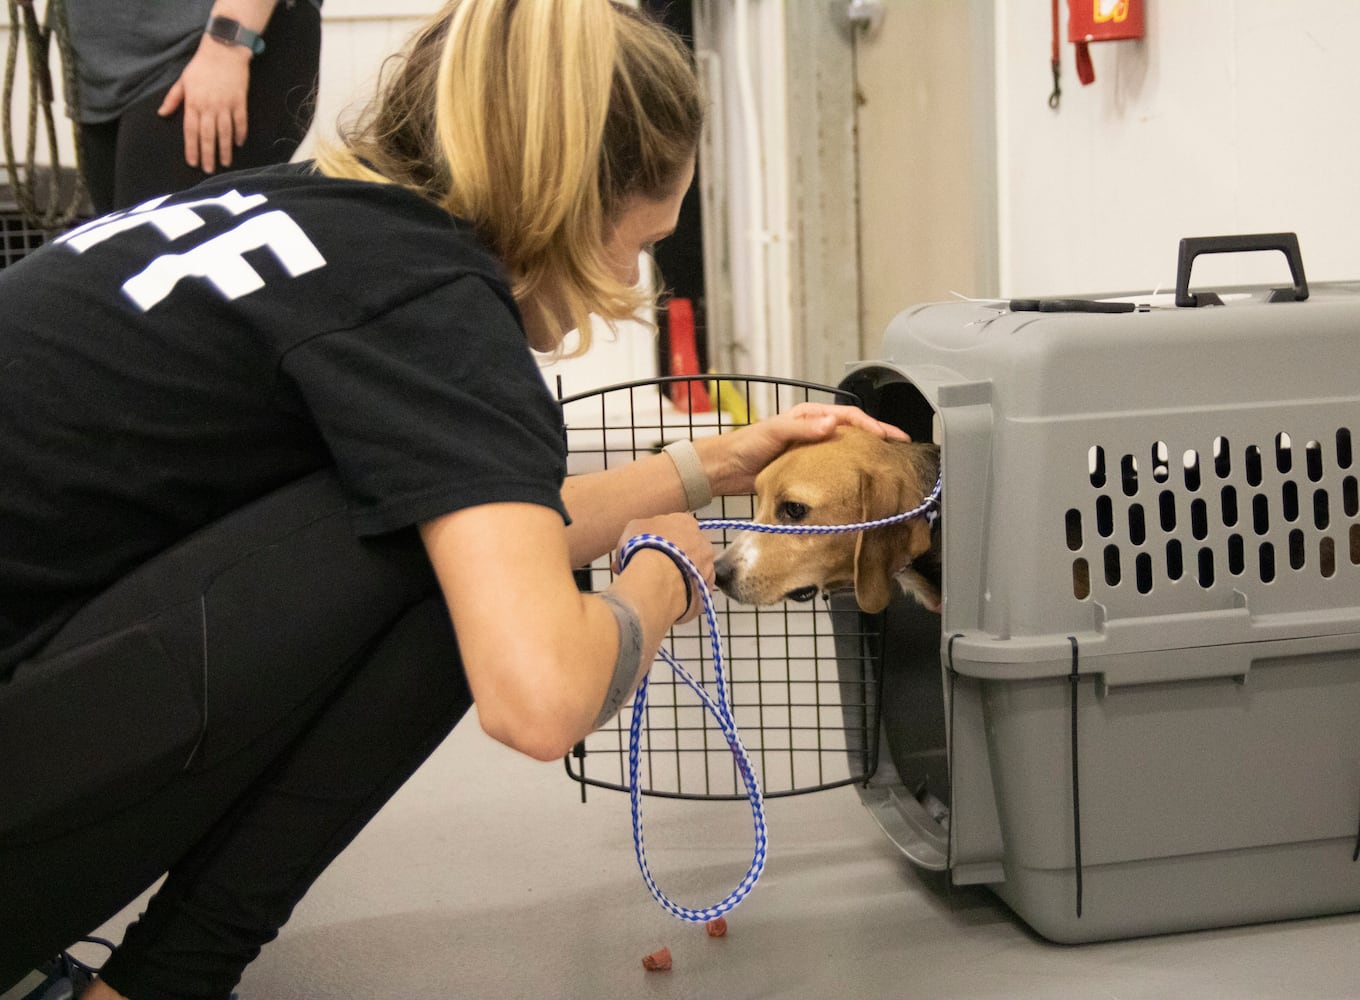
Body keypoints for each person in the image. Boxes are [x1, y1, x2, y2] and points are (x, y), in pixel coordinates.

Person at [0, 1, 904, 997]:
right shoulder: (433, 305)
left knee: (446, 522)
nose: (630, 279)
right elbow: (540, 698)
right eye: (637, 242)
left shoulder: (312, 215)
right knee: (435, 560)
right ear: (565, 197)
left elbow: (490, 510)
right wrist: (665, 577)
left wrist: (721, 464)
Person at [61, 0, 322, 214]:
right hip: (100, 63)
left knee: (154, 254)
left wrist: (228, 41)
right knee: (120, 260)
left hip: (216, 41)